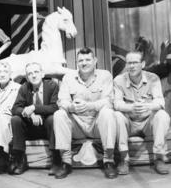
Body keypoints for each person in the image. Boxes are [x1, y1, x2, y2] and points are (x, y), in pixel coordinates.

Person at [53, 47, 117, 179]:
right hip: (77, 124)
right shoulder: (68, 77)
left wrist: (90, 106)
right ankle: (66, 162)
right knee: (59, 114)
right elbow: (62, 101)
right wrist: (72, 107)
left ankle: (109, 160)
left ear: (95, 61)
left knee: (108, 112)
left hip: (96, 124)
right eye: (81, 60)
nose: (84, 63)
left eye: (88, 59)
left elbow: (109, 101)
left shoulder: (105, 76)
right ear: (77, 63)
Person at [114, 51, 170, 175]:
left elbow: (160, 101)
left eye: (135, 62)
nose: (132, 66)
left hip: (147, 122)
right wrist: (131, 107)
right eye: (129, 63)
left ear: (143, 64)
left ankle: (159, 158)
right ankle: (124, 159)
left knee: (162, 115)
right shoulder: (119, 80)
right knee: (117, 115)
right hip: (130, 123)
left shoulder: (153, 78)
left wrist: (147, 106)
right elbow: (117, 104)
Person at [9, 62, 60, 175]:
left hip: (47, 127)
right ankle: (20, 159)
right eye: (30, 73)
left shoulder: (52, 86)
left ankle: (56, 160)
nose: (33, 75)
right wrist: (29, 114)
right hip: (30, 128)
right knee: (15, 119)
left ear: (42, 74)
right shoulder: (24, 88)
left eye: (36, 72)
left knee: (53, 118)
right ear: (27, 77)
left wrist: (34, 108)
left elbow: (55, 107)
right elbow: (15, 109)